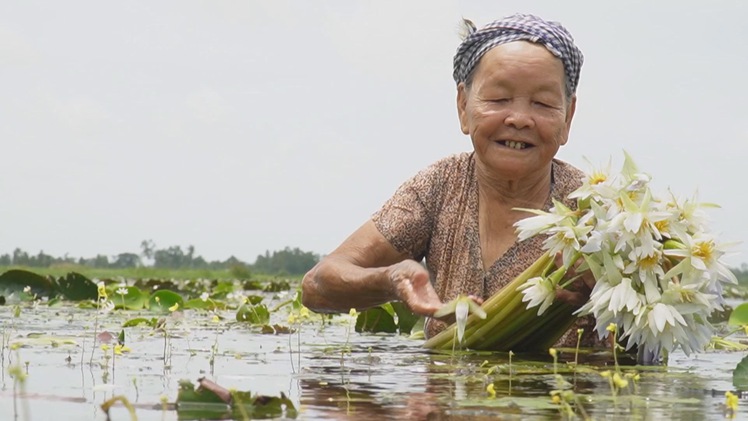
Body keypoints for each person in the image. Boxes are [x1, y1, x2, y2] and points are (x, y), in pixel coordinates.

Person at [302, 13, 602, 347]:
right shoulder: (440, 187)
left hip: (565, 396)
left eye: (543, 103)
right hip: (446, 396)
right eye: (499, 99)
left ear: (568, 118)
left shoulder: (601, 213)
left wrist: (604, 288)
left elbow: (647, 338)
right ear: (463, 106)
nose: (519, 119)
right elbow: (317, 286)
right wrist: (391, 279)